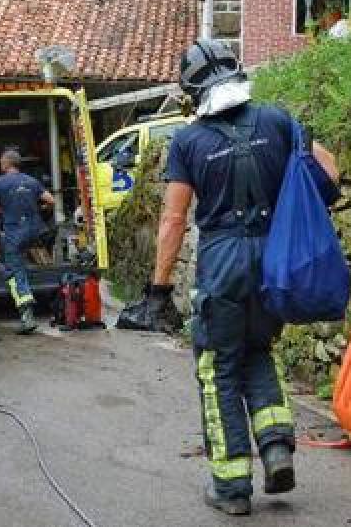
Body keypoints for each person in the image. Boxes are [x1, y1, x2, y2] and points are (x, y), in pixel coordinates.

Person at [145, 39, 338, 516]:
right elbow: (328, 175)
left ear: (192, 91)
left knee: (218, 368)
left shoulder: (189, 142)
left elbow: (173, 220)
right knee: (257, 350)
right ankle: (275, 447)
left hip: (223, 262)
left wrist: (159, 285)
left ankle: (231, 487)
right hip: (273, 259)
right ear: (237, 71)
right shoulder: (276, 120)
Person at [0, 149, 55, 334]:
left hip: (15, 232)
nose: (0, 164)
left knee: (15, 271)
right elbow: (51, 200)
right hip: (36, 231)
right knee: (22, 256)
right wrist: (38, 208)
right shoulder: (31, 181)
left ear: (7, 164)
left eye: (1, 161)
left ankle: (27, 316)